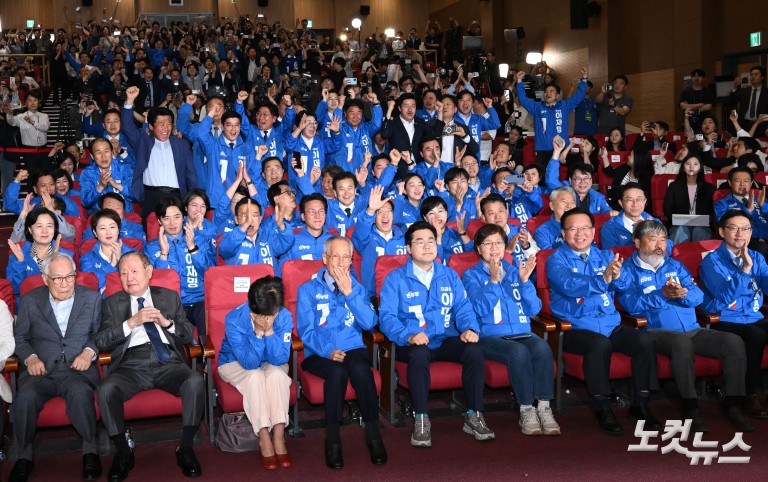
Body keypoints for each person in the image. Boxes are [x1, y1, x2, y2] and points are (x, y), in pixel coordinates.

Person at [619, 220, 752, 432]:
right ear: (637, 242)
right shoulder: (627, 269)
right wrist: (661, 295)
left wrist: (683, 295)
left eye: (663, 239)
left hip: (693, 328)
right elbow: (630, 305)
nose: (659, 245)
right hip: (656, 331)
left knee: (733, 341)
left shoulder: (674, 265)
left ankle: (733, 404)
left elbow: (697, 296)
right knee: (681, 343)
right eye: (653, 239)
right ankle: (691, 407)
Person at [379, 221, 495, 447]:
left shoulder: (449, 275)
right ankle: (421, 419)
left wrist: (470, 328)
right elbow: (387, 318)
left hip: (443, 338)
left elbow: (462, 306)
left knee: (474, 351)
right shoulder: (395, 278)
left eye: (431, 241)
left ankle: (474, 415)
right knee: (419, 354)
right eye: (419, 242)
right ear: (409, 248)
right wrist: (408, 335)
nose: (426, 247)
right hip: (412, 342)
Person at [547, 208, 659, 435]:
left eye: (585, 228)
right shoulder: (555, 259)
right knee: (600, 344)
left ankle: (640, 403)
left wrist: (618, 276)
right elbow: (570, 285)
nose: (580, 233)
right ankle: (601, 406)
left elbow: (625, 283)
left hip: (609, 324)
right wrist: (603, 278)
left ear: (593, 230)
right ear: (563, 232)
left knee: (644, 341)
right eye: (573, 228)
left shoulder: (606, 255)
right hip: (574, 327)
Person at [96, 251, 205, 480]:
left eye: (134, 271)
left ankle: (185, 448)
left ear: (148, 272)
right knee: (106, 389)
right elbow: (102, 341)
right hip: (130, 366)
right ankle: (123, 452)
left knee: (195, 381)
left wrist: (168, 323)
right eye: (123, 273)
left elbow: (187, 335)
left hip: (168, 362)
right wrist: (130, 323)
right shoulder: (111, 304)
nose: (129, 278)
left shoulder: (169, 297)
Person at [9, 253, 102, 482]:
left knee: (80, 393)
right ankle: (24, 456)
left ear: (75, 276)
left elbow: (101, 335)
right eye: (57, 278)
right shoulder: (31, 301)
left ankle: (90, 451)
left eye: (69, 277)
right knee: (25, 397)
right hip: (41, 372)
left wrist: (88, 353)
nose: (64, 284)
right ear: (45, 279)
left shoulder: (91, 298)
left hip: (77, 370)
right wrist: (30, 358)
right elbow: (20, 339)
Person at [297, 237, 387, 469]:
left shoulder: (357, 288)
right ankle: (333, 439)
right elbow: (306, 331)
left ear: (350, 260)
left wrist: (350, 294)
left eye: (345, 257)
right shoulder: (307, 289)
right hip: (318, 353)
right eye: (335, 256)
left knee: (360, 370)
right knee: (336, 373)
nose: (340, 262)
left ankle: (374, 434)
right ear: (325, 259)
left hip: (353, 348)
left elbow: (369, 323)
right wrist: (327, 351)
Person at [463, 224, 560, 436]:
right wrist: (493, 281)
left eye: (498, 243)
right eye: (487, 244)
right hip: (490, 336)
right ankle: (526, 409)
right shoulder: (470, 276)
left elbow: (534, 309)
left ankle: (544, 408)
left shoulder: (517, 271)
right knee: (518, 352)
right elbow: (478, 309)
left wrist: (525, 281)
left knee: (542, 348)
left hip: (522, 332)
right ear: (478, 249)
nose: (494, 248)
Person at [218, 276, 293, 470]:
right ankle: (263, 437)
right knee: (255, 376)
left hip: (270, 361)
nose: (273, 316)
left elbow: (279, 359)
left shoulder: (284, 316)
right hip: (234, 363)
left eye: (275, 311)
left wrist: (269, 333)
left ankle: (278, 435)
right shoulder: (234, 320)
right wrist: (259, 333)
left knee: (277, 375)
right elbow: (249, 363)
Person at [700, 209, 768, 420]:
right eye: (734, 228)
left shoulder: (757, 256)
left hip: (753, 317)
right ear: (721, 231)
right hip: (724, 319)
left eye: (746, 229)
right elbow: (723, 296)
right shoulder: (711, 262)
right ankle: (751, 394)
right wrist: (745, 270)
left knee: (758, 330)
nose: (741, 234)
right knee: (756, 335)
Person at [120, 85, 198, 222]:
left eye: (169, 124)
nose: (165, 128)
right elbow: (127, 128)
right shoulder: (143, 141)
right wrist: (129, 101)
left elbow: (190, 173)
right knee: (151, 233)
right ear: (151, 126)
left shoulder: (182, 145)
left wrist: (192, 198)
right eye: (161, 124)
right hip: (151, 196)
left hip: (176, 196)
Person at [144, 197, 216, 339]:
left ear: (183, 217)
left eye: (176, 217)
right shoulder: (152, 248)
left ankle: (205, 356)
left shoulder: (201, 239)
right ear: (159, 221)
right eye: (166, 218)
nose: (172, 223)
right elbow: (154, 281)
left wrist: (192, 248)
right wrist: (163, 254)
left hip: (199, 299)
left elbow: (210, 273)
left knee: (206, 314)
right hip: (171, 303)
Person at [513, 67, 589, 165]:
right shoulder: (537, 107)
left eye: (551, 91)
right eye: (546, 92)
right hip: (542, 149)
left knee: (559, 176)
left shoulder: (564, 106)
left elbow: (579, 96)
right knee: (542, 177)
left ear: (557, 95)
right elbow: (523, 99)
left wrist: (584, 78)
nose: (548, 93)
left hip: (561, 148)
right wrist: (519, 81)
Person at [7, 208, 73, 302]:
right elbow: (15, 289)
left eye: (49, 226)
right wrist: (20, 264)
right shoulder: (17, 255)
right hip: (27, 308)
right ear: (30, 229)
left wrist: (54, 260)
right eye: (39, 226)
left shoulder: (66, 255)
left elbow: (67, 290)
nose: (44, 231)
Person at [547, 137, 615, 215]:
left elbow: (607, 211)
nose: (583, 182)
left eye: (586, 178)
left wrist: (611, 213)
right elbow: (551, 180)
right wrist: (557, 152)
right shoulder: (563, 191)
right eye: (578, 179)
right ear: (570, 180)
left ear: (591, 180)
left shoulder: (598, 197)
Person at [713, 166, 768, 259]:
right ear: (730, 183)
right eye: (738, 180)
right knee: (761, 248)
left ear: (751, 183)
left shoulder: (760, 200)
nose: (742, 184)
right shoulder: (722, 204)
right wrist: (748, 211)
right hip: (743, 241)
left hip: (765, 238)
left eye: (746, 181)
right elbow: (723, 223)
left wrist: (764, 207)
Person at [218, 197, 289, 268]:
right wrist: (245, 225)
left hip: (269, 278)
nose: (250, 220)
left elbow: (286, 243)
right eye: (245, 215)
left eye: (254, 216)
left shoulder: (268, 236)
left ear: (260, 219)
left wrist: (282, 226)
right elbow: (225, 249)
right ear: (236, 219)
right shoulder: (230, 238)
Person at [80, 209, 137, 293]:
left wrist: (121, 260)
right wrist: (112, 265)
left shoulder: (133, 254)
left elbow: (137, 281)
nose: (108, 232)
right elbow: (93, 283)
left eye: (112, 227)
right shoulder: (87, 258)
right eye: (103, 228)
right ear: (95, 232)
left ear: (118, 230)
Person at [600, 183, 671, 251]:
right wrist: (637, 236)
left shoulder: (655, 222)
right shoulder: (609, 227)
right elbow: (611, 255)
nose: (635, 204)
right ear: (621, 203)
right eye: (630, 200)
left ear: (645, 201)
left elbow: (669, 249)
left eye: (639, 199)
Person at [663, 154, 716, 244]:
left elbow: (713, 211)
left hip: (702, 225)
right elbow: (667, 209)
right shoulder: (674, 186)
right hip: (679, 224)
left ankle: (701, 257)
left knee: (698, 231)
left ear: (700, 168)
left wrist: (709, 219)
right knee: (681, 231)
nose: (691, 167)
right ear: (683, 168)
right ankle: (677, 257)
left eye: (695, 164)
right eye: (688, 164)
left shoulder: (709, 188)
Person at [79, 137, 134, 214]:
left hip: (124, 215)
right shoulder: (87, 174)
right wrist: (100, 187)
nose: (103, 156)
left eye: (106, 151)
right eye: (98, 153)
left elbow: (135, 196)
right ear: (92, 156)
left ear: (111, 153)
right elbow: (85, 202)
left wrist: (116, 185)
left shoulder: (124, 168)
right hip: (99, 217)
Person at [3, 90, 49, 174]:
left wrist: (33, 122)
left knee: (44, 176)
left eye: (35, 100)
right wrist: (9, 114)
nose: (32, 103)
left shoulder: (44, 116)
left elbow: (45, 127)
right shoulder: (21, 116)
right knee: (31, 176)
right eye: (29, 100)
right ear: (26, 103)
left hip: (43, 150)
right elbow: (11, 122)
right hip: (28, 152)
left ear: (38, 102)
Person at [728, 65, 767, 133]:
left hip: (761, 126)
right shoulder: (744, 91)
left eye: (756, 74)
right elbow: (732, 101)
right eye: (751, 75)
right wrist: (735, 87)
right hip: (744, 124)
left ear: (762, 77)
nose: (753, 77)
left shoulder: (766, 92)